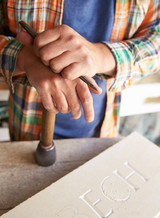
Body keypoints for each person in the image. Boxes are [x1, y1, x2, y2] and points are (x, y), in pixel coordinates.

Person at [0, 0, 159, 141]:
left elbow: (156, 38)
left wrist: (102, 56)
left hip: (102, 135)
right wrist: (24, 57)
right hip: (26, 136)